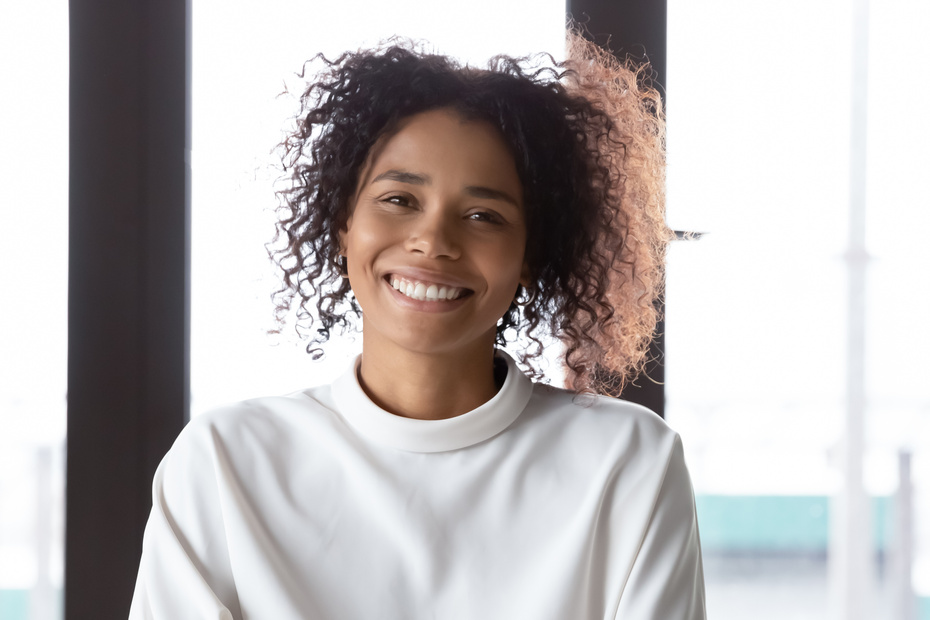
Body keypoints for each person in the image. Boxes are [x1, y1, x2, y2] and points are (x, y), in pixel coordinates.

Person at [129, 33, 705, 620]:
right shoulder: (224, 463)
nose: (432, 241)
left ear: (532, 255)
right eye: (400, 200)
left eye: (483, 215)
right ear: (342, 226)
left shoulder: (628, 462)